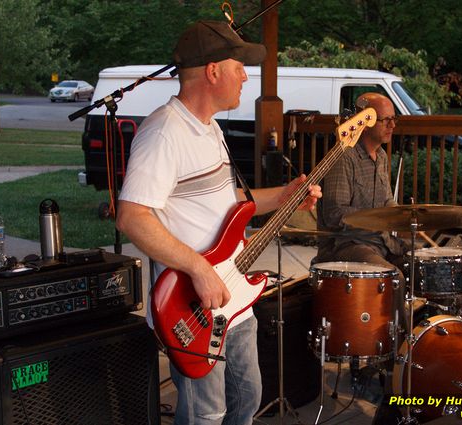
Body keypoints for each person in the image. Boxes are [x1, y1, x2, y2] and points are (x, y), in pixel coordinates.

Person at [116, 20, 321, 425]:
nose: (245, 75)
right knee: (206, 415)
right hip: (193, 303)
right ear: (212, 71)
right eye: (238, 65)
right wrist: (198, 268)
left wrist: (284, 196)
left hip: (234, 297)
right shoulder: (164, 133)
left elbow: (233, 204)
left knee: (247, 400)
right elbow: (131, 216)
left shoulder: (208, 128)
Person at [316, 92, 407, 277]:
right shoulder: (343, 157)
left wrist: (407, 218)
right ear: (365, 124)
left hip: (381, 241)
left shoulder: (381, 156)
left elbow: (388, 201)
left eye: (394, 118)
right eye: (385, 120)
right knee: (393, 276)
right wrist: (375, 219)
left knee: (421, 262)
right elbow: (334, 214)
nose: (392, 125)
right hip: (347, 244)